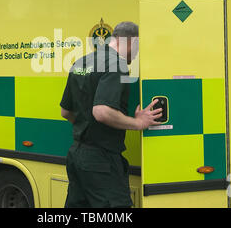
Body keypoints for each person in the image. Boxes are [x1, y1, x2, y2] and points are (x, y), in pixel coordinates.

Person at [60, 21, 163, 208]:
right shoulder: (117, 64)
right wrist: (138, 122)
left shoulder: (81, 61)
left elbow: (65, 112)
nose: (138, 53)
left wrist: (88, 125)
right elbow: (101, 111)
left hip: (77, 155)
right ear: (132, 42)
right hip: (101, 159)